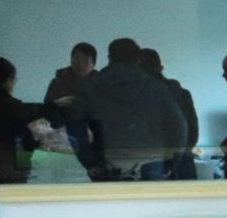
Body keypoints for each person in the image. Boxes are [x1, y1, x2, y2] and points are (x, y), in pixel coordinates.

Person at [85, 36, 186, 180]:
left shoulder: (93, 88)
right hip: (151, 159)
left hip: (108, 159)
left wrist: (91, 163)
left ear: (110, 59)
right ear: (138, 60)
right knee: (151, 196)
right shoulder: (156, 89)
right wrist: (171, 163)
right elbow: (179, 128)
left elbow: (79, 128)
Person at [140, 48, 198, 180]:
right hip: (183, 164)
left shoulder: (143, 96)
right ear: (161, 68)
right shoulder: (182, 94)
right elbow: (193, 133)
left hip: (153, 164)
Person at [0, 57, 46, 184]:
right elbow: (26, 143)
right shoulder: (13, 106)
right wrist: (40, 139)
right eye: (13, 79)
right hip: (10, 170)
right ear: (7, 80)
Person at [44, 42, 100, 166]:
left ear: (93, 63)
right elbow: (47, 110)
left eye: (85, 61)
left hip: (95, 128)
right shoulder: (58, 83)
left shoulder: (101, 83)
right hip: (66, 128)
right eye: (76, 59)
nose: (80, 64)